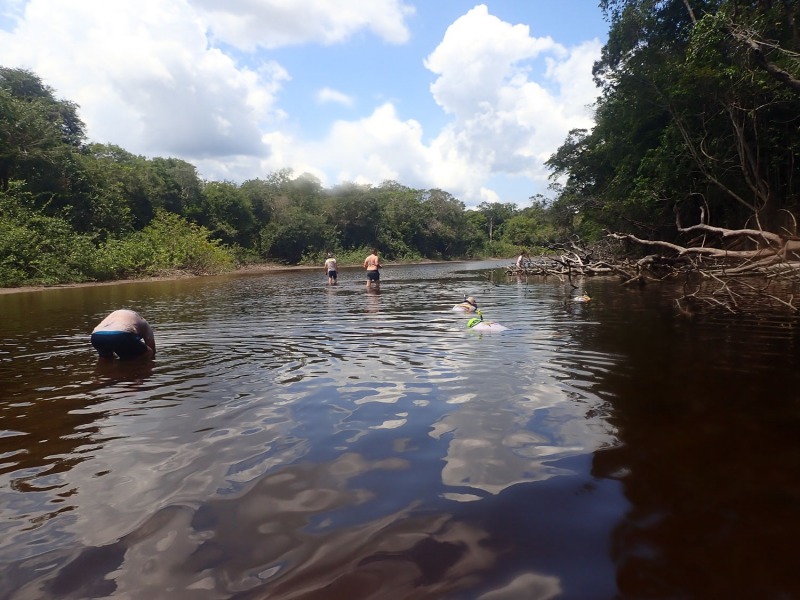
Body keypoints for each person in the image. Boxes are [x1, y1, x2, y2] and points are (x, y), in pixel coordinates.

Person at [91, 309, 155, 360]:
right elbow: (152, 348)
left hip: (96, 336)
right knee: (149, 352)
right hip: (121, 335)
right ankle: (132, 371)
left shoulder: (116, 314)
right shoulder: (145, 324)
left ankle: (104, 374)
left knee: (106, 358)